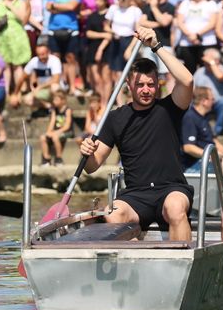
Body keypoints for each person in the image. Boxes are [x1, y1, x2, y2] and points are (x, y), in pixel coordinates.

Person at [78, 26, 194, 241]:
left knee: (175, 209)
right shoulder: (115, 118)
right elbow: (92, 166)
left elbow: (187, 81)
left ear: (158, 85)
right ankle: (132, 255)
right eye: (140, 84)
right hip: (136, 195)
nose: (146, 89)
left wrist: (156, 46)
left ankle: (181, 259)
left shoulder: (170, 108)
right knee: (112, 214)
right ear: (129, 85)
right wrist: (86, 153)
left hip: (172, 189)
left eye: (151, 84)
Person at [181, 87, 223, 175]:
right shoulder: (190, 117)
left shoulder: (204, 117)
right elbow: (188, 147)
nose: (214, 102)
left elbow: (212, 139)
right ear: (204, 101)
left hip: (205, 159)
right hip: (192, 164)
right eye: (212, 99)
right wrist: (212, 155)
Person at [40, 90, 73, 166]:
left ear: (63, 100)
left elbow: (67, 126)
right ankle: (46, 159)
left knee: (55, 137)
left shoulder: (67, 110)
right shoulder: (54, 110)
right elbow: (52, 122)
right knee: (43, 137)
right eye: (54, 99)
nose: (54, 101)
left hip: (67, 132)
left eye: (56, 100)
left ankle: (59, 158)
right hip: (56, 132)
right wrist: (48, 132)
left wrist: (56, 132)